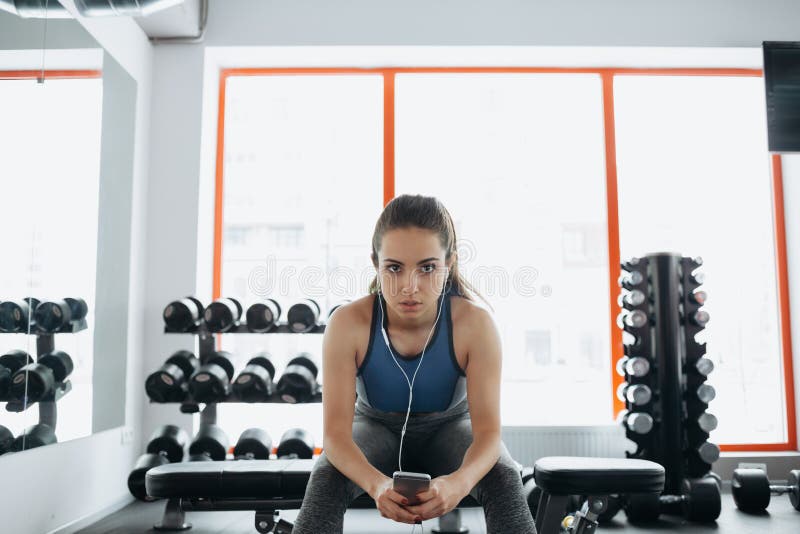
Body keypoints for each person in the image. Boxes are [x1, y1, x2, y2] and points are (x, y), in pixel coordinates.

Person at [292, 194, 536, 533]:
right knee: (327, 473)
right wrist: (376, 485)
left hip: (450, 428)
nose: (410, 287)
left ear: (449, 263)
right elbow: (335, 436)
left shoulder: (474, 324)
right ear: (375, 262)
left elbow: (488, 435)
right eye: (394, 268)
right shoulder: (347, 324)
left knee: (503, 474)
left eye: (427, 268)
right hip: (375, 428)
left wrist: (458, 483)